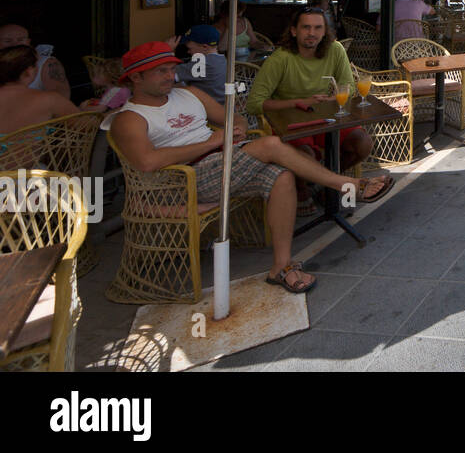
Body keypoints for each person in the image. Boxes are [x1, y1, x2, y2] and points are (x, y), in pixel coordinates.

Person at [107, 41, 393, 294]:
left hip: (227, 161)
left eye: (171, 69)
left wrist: (238, 130)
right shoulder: (130, 118)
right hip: (188, 178)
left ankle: (281, 268)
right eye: (161, 71)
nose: (170, 76)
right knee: (270, 145)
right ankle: (350, 185)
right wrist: (214, 142)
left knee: (282, 177)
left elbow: (234, 118)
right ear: (135, 76)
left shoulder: (189, 94)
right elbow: (147, 162)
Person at [245, 6, 373, 174]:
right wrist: (299, 103)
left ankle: (327, 185)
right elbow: (254, 104)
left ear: (325, 31)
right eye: (306, 27)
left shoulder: (335, 50)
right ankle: (307, 192)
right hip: (289, 122)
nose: (312, 33)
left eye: (318, 27)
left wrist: (333, 99)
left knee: (362, 143)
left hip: (325, 118)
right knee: (306, 155)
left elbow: (348, 87)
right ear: (293, 31)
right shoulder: (279, 59)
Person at [0, 45, 99, 134]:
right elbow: (86, 127)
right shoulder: (49, 99)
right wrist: (90, 112)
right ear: (29, 71)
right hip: (35, 155)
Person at [0, 23, 71, 99]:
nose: (15, 44)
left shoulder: (46, 63)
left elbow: (61, 97)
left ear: (28, 42)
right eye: (7, 41)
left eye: (20, 39)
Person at [170, 23, 227, 101]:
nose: (188, 52)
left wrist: (169, 52)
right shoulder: (222, 59)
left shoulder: (202, 63)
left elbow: (170, 75)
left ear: (204, 47)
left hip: (207, 109)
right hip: (220, 104)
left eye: (190, 48)